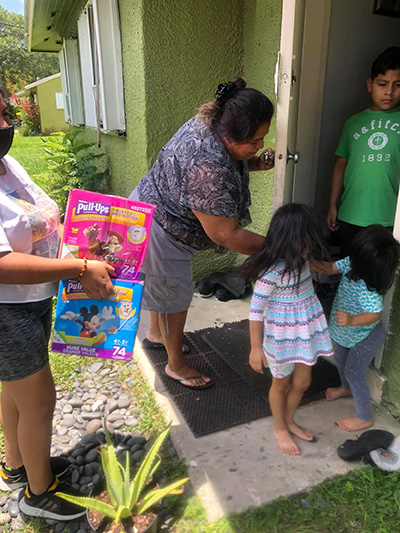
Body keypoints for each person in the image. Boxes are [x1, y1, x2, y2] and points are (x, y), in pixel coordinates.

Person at [0, 92, 115, 520]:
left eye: (3, 114)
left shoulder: (8, 165)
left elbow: (44, 215)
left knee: (15, 390)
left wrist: (85, 234)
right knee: (40, 399)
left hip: (32, 300)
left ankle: (16, 466)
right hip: (5, 310)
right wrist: (77, 267)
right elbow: (2, 264)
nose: (3, 126)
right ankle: (38, 494)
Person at [130, 78, 275, 389]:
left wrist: (251, 163)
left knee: (164, 290)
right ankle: (176, 365)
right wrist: (278, 247)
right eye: (254, 141)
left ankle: (157, 334)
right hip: (161, 229)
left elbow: (228, 161)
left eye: (262, 138)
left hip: (150, 208)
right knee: (174, 296)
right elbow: (226, 234)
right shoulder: (207, 167)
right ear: (228, 136)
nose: (260, 145)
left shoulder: (211, 120)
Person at [240, 203, 334, 456]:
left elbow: (324, 267)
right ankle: (280, 427)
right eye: (307, 239)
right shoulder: (271, 272)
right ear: (289, 239)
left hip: (304, 334)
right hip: (280, 340)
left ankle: (290, 420)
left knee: (303, 382)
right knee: (280, 385)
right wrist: (256, 348)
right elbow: (255, 311)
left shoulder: (303, 260)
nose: (311, 245)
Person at [311, 225, 400, 432]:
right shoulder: (352, 264)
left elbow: (375, 315)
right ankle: (345, 388)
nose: (352, 257)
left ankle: (363, 416)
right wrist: (308, 261)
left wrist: (351, 320)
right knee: (341, 362)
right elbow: (329, 268)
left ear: (368, 264)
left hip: (365, 335)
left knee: (353, 371)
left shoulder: (370, 290)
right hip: (344, 331)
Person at [327, 46, 400, 256]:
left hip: (389, 217)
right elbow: (340, 165)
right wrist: (333, 205)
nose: (389, 92)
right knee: (351, 269)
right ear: (370, 85)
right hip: (352, 214)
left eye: (397, 85)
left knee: (380, 275)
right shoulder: (354, 122)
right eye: (382, 84)